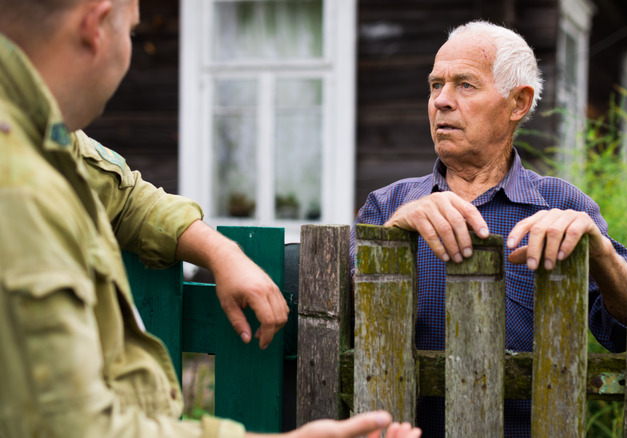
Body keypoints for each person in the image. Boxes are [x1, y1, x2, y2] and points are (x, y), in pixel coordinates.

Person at [0, 1, 421, 437]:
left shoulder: (43, 137)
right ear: (96, 25)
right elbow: (73, 428)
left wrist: (221, 251)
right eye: (132, 31)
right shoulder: (19, 188)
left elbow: (123, 196)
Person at [353, 20, 627, 437]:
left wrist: (602, 253)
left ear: (518, 103)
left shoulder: (563, 205)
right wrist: (393, 235)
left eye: (465, 85)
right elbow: (342, 325)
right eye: (435, 85)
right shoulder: (387, 205)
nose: (441, 102)